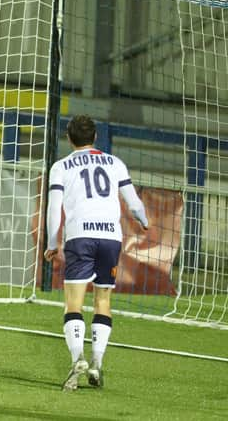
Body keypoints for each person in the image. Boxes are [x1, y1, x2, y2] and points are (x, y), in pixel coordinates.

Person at [44, 115, 149, 391]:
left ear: (69, 138)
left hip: (80, 236)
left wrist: (52, 242)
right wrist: (144, 221)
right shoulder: (115, 163)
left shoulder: (61, 167)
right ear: (95, 138)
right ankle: (97, 363)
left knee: (74, 303)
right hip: (111, 238)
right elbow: (134, 203)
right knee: (103, 300)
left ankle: (78, 358)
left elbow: (54, 209)